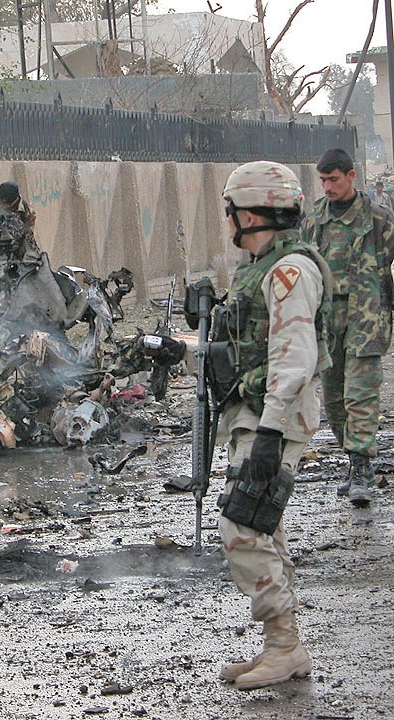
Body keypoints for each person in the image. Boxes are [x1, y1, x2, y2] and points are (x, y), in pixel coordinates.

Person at [213, 161, 330, 690]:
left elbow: (295, 356)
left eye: (233, 211)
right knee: (264, 525)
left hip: (276, 417)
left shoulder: (289, 271)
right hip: (256, 411)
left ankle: (284, 645)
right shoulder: (261, 266)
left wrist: (270, 431)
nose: (230, 220)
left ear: (253, 211)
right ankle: (282, 645)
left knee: (242, 523)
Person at [302, 148, 394, 507]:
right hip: (327, 322)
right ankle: (352, 459)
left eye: (333, 179)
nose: (327, 186)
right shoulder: (314, 220)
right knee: (335, 401)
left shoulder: (378, 220)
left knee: (361, 396)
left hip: (366, 319)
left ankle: (360, 470)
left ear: (351, 176)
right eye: (323, 180)